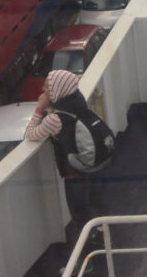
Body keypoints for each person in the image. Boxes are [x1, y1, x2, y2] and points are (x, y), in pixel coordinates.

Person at [25, 70, 113, 242]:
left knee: (80, 214)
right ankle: (105, 233)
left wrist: (39, 108)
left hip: (75, 173)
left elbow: (31, 134)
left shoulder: (55, 119)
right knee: (97, 203)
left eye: (48, 87)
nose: (43, 89)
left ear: (58, 90)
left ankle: (90, 250)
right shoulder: (78, 101)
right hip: (95, 164)